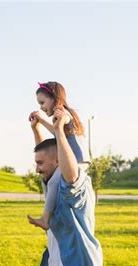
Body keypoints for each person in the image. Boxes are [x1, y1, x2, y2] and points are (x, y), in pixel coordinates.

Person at [32, 108, 102, 266]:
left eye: (39, 164)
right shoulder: (53, 184)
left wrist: (59, 130)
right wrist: (36, 129)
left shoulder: (75, 184)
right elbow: (47, 154)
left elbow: (65, 166)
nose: (36, 169)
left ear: (58, 162)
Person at [27, 81, 90, 230]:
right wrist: (41, 122)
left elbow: (63, 123)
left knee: (54, 181)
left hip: (77, 161)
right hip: (76, 160)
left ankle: (45, 218)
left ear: (54, 98)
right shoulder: (60, 116)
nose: (41, 107)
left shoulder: (63, 113)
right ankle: (48, 215)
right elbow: (57, 131)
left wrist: (60, 120)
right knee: (52, 180)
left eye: (43, 102)